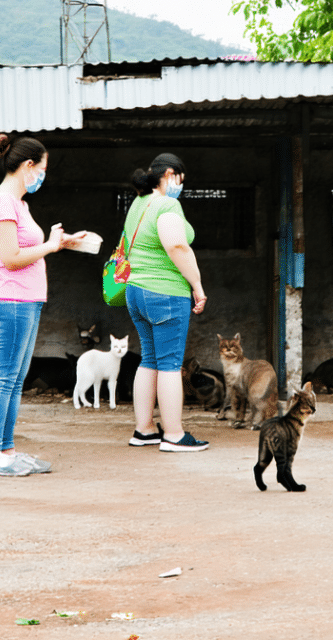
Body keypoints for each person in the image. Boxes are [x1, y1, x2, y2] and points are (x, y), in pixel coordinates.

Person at [0, 133, 86, 476]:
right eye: (42, 168)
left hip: (26, 299)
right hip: (10, 298)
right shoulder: (4, 202)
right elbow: (10, 257)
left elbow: (25, 247)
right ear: (28, 165)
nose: (42, 176)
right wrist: (51, 247)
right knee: (4, 375)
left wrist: (61, 243)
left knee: (16, 377)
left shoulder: (18, 203)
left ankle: (5, 449)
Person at [122, 153, 209, 452]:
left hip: (135, 291)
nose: (180, 187)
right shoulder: (167, 204)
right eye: (180, 181)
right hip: (165, 292)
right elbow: (175, 244)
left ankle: (144, 429)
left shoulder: (138, 204)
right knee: (171, 364)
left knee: (149, 359)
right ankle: (173, 435)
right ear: (170, 174)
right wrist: (196, 285)